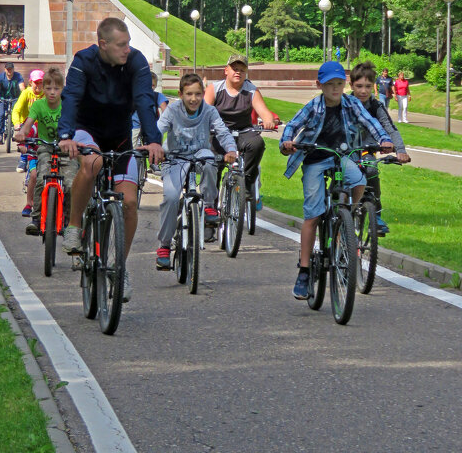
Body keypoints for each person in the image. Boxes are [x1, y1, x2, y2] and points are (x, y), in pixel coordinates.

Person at [57, 17, 165, 302]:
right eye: (121, 44)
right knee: (92, 164)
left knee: (129, 202)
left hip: (119, 136)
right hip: (86, 130)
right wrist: (66, 135)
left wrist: (154, 140)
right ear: (102, 44)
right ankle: (74, 225)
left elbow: (144, 99)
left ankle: (120, 267)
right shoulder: (84, 60)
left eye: (128, 43)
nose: (127, 49)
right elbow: (71, 97)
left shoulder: (137, 62)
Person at [279, 61, 393, 300]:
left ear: (344, 84)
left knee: (359, 179)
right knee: (312, 214)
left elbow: (369, 122)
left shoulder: (352, 103)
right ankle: (304, 271)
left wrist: (383, 139)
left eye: (339, 84)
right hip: (316, 159)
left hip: (342, 157)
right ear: (319, 84)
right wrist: (287, 141)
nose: (335, 89)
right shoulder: (314, 106)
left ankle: (346, 218)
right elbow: (293, 125)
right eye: (330, 84)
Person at [155, 73, 237, 270]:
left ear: (203, 94)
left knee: (210, 160)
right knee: (172, 198)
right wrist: (154, 147)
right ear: (180, 94)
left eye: (198, 94)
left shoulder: (209, 111)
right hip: (174, 157)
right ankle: (165, 245)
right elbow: (159, 128)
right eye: (189, 94)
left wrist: (231, 149)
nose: (194, 99)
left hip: (199, 153)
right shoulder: (173, 110)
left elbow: (222, 131)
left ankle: (209, 205)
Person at [204, 53, 276, 212]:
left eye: (242, 70)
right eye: (234, 69)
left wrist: (268, 120)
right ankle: (209, 210)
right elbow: (205, 111)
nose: (238, 72)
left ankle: (247, 183)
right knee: (212, 164)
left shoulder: (251, 90)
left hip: (243, 131)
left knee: (257, 143)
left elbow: (264, 112)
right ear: (226, 71)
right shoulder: (214, 89)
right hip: (219, 133)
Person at [15, 67, 78, 235]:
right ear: (42, 89)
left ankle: (67, 220)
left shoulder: (67, 105)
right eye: (48, 88)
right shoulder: (38, 105)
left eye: (56, 89)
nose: (52, 92)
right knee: (41, 179)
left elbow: (77, 125)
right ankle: (36, 219)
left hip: (66, 150)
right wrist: (22, 133)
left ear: (62, 89)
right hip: (46, 148)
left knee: (71, 184)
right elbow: (28, 124)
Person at [350, 61, 411, 234]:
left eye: (368, 86)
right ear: (351, 85)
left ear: (373, 86)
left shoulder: (376, 106)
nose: (363, 91)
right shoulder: (344, 103)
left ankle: (375, 215)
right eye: (359, 86)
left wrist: (400, 150)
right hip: (345, 150)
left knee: (371, 170)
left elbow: (390, 128)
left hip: (367, 150)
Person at [12, 69, 45, 212]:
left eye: (41, 83)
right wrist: (17, 124)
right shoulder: (26, 93)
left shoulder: (48, 97)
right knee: (34, 174)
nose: (38, 87)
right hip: (29, 127)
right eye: (35, 83)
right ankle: (30, 203)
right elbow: (17, 110)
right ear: (30, 82)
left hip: (44, 132)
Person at [131, 71, 169, 147]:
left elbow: (166, 111)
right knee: (132, 150)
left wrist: (163, 123)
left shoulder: (157, 96)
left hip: (151, 127)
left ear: (155, 86)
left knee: (155, 147)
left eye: (152, 85)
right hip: (135, 126)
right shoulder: (134, 96)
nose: (150, 87)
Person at [0, 63, 25, 144]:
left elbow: (22, 87)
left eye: (11, 69)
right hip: (2, 99)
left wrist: (24, 95)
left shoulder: (18, 76)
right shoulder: (1, 77)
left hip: (15, 98)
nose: (9, 71)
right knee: (1, 114)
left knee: (15, 113)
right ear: (5, 69)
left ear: (13, 69)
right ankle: (0, 134)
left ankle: (14, 129)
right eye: (7, 69)